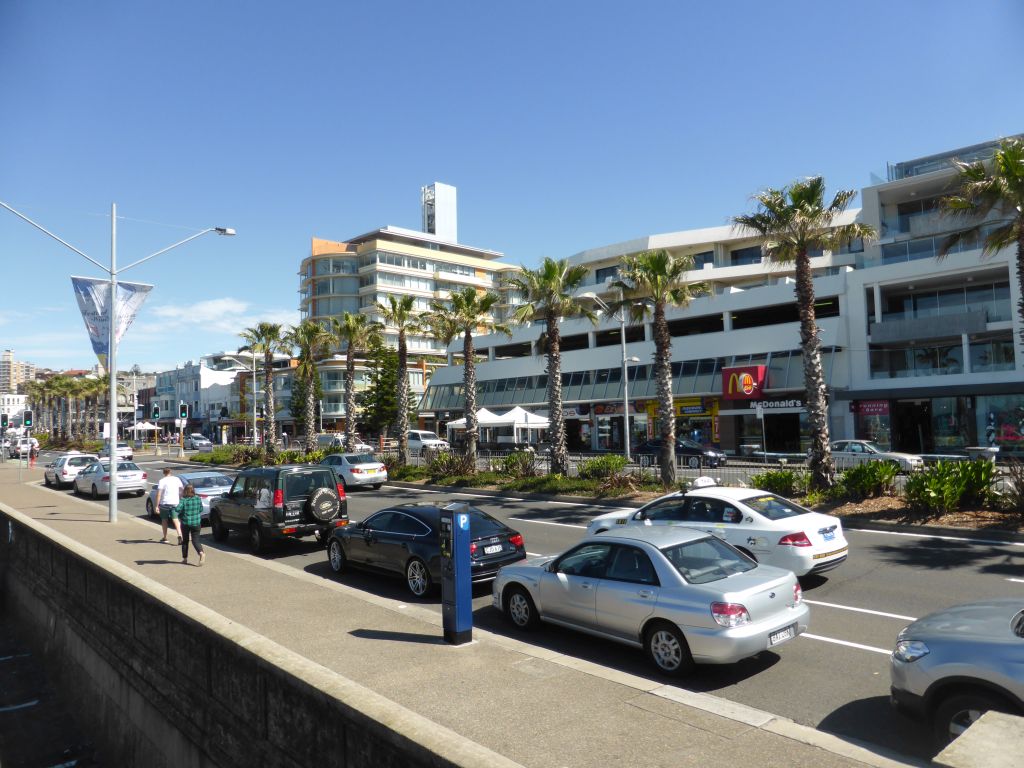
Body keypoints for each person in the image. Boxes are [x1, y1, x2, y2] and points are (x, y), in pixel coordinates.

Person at [173, 484, 205, 566]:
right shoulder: (198, 498)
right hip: (196, 522)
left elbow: (177, 509)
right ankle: (201, 553)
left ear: (185, 491)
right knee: (196, 540)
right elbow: (201, 509)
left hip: (186, 523)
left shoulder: (184, 500)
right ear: (193, 490)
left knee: (185, 541)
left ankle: (185, 559)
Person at [155, 468, 185, 545]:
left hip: (165, 503)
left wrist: (156, 506)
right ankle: (180, 535)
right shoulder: (176, 479)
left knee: (164, 520)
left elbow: (159, 494)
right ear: (170, 472)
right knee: (176, 519)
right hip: (175, 502)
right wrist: (180, 497)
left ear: (164, 473)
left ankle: (165, 537)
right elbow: (182, 489)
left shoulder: (162, 481)